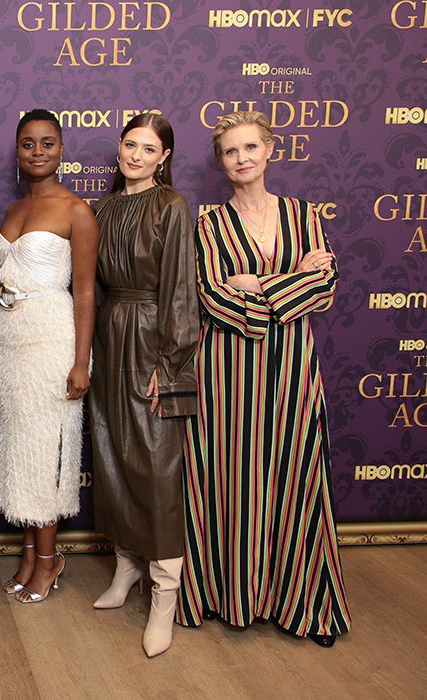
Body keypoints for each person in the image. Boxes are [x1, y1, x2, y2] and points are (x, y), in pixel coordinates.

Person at [178, 110, 351, 648]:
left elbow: (324, 289)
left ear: (270, 150)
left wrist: (265, 286)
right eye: (230, 152)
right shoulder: (207, 223)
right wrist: (293, 280)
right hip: (227, 375)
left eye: (250, 147)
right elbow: (214, 300)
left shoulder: (304, 215)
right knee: (231, 481)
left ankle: (306, 607)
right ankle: (228, 597)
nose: (241, 158)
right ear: (221, 162)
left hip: (293, 373)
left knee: (297, 480)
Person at [88, 113, 198, 657]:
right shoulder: (100, 209)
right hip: (109, 341)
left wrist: (170, 362)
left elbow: (180, 286)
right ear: (120, 147)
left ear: (163, 157)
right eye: (130, 144)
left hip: (154, 339)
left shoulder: (173, 206)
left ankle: (165, 597)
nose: (136, 154)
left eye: (148, 148)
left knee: (157, 470)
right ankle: (126, 569)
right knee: (112, 460)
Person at [0, 110, 97, 603]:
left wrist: (80, 362)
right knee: (21, 453)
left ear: (61, 149)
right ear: (18, 150)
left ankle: (50, 562)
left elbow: (87, 291)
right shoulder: (11, 210)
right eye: (28, 144)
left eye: (47, 143)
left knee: (47, 454)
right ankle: (31, 554)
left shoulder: (76, 210)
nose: (37, 152)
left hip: (52, 341)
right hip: (9, 341)